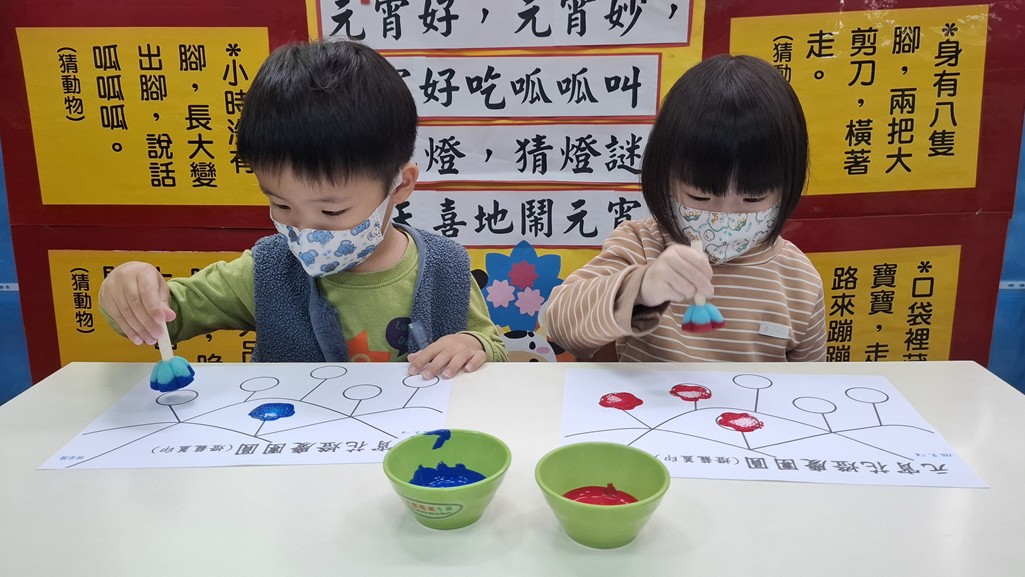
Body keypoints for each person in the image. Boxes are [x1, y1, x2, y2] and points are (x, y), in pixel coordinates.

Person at [99, 39, 506, 378]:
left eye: (331, 212)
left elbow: (490, 346)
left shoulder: (444, 266)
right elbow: (169, 315)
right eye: (281, 204)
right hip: (297, 445)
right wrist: (130, 288)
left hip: (417, 445)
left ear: (400, 185)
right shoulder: (268, 270)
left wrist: (469, 344)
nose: (306, 230)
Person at [544, 54, 826, 362]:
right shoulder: (641, 244)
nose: (725, 217)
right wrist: (643, 288)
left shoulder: (799, 280)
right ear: (665, 177)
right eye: (700, 197)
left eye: (753, 199)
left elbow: (811, 383)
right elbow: (560, 325)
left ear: (786, 189)